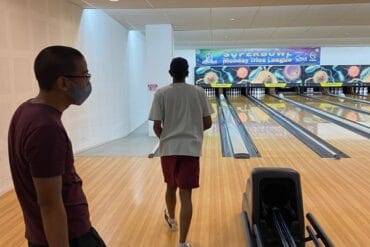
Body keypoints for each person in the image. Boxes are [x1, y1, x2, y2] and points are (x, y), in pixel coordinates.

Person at [8, 46, 106, 247]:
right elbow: (50, 204)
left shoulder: (25, 111)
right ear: (64, 83)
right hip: (70, 237)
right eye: (85, 75)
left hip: (42, 235)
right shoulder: (46, 128)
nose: (88, 82)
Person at [149, 57, 213, 247]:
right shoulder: (198, 92)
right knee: (186, 195)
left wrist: (167, 139)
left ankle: (172, 220)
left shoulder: (161, 93)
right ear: (187, 73)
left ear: (170, 73)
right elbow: (208, 123)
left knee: (170, 186)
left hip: (169, 149)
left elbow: (156, 126)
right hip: (191, 149)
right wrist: (192, 130)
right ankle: (182, 242)